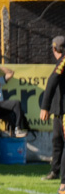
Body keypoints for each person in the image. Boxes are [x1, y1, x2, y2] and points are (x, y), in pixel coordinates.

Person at [40, 36, 65, 183]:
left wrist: (45, 107)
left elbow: (52, 80)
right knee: (57, 140)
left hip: (63, 110)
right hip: (59, 110)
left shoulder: (63, 60)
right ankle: (55, 171)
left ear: (54, 49)